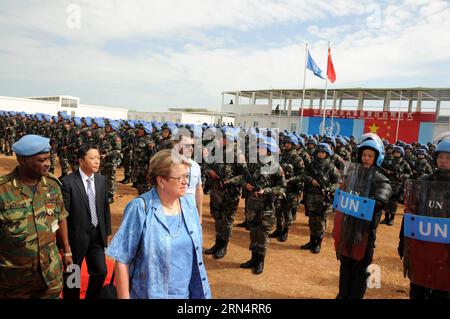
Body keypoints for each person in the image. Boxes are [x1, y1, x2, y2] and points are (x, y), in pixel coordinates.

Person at [106, 149, 211, 299]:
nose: (186, 182)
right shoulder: (140, 208)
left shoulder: (189, 207)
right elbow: (122, 260)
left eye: (187, 176)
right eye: (180, 178)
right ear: (161, 180)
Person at [0, 135, 72, 298]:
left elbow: (61, 217)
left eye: (48, 159)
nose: (48, 164)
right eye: (41, 160)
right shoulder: (3, 190)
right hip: (13, 281)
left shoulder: (52, 185)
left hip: (49, 276)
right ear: (22, 160)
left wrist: (66, 251)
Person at [334, 133, 392, 299]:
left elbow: (382, 198)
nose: (366, 158)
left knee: (360, 268)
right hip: (348, 228)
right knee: (345, 265)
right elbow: (342, 193)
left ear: (377, 158)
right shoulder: (352, 175)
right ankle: (343, 294)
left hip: (365, 232)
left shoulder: (381, 179)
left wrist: (373, 201)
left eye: (370, 156)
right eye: (364, 155)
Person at [398, 134, 450, 299]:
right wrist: (403, 241)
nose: (443, 160)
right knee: (418, 287)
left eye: (448, 158)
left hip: (446, 251)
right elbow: (410, 212)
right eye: (440, 156)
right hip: (422, 245)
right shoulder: (423, 181)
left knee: (442, 289)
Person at [60, 145, 112, 299]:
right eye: (92, 158)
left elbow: (105, 208)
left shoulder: (101, 180)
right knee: (73, 275)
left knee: (101, 271)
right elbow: (63, 216)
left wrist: (107, 231)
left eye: (98, 158)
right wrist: (65, 246)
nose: (97, 162)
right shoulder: (68, 182)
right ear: (81, 161)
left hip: (97, 236)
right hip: (76, 238)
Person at [240, 135, 286, 274]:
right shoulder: (252, 164)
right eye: (259, 147)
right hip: (253, 205)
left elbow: (282, 187)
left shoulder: (276, 167)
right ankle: (253, 259)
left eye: (262, 147)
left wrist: (266, 191)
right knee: (253, 233)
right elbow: (241, 178)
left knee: (263, 235)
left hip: (266, 207)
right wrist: (245, 185)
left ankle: (260, 262)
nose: (259, 149)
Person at [300, 143, 340, 254]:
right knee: (312, 220)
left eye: (323, 152)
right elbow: (303, 174)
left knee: (320, 221)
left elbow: (337, 183)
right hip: (310, 197)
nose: (321, 154)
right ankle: (312, 241)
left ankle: (318, 243)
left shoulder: (331, 167)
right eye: (319, 152)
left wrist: (328, 188)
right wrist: (311, 180)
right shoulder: (312, 164)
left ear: (327, 154)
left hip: (323, 198)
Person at [176, 134, 204, 223]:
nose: (191, 148)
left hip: (191, 214)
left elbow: (198, 190)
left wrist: (199, 215)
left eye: (192, 145)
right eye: (187, 145)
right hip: (174, 214)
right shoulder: (170, 165)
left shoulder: (196, 166)